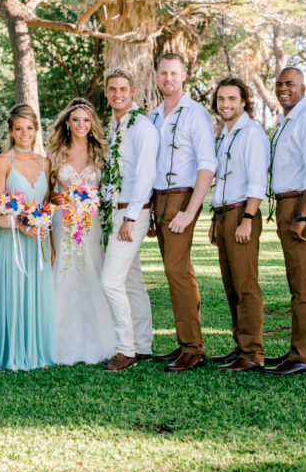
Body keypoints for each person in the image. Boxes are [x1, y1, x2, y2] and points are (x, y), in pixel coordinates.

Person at [148, 53, 217, 372]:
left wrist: (190, 211)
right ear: (157, 76)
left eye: (173, 73)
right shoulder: (153, 116)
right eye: (163, 73)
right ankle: (184, 342)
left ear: (184, 75)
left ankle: (194, 348)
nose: (168, 79)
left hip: (181, 198)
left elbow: (207, 165)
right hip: (158, 200)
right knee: (174, 271)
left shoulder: (196, 114)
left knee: (178, 271)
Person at [264, 66, 306, 376]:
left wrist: (301, 215)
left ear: (303, 89)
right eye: (279, 84)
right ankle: (297, 350)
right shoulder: (287, 120)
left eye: (290, 83)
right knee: (296, 282)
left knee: (305, 284)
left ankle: (303, 356)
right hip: (288, 203)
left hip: (302, 205)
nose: (283, 88)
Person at [100, 69, 160, 371]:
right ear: (106, 91)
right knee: (132, 280)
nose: (117, 94)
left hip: (131, 212)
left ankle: (125, 349)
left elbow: (145, 176)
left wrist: (131, 217)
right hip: (115, 210)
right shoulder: (113, 124)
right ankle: (143, 344)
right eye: (112, 89)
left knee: (109, 280)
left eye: (123, 89)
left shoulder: (142, 127)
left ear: (133, 91)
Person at [47, 98, 115, 366]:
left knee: (92, 272)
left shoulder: (102, 153)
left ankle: (99, 338)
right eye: (75, 119)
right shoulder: (55, 154)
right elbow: (50, 194)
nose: (81, 125)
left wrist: (88, 203)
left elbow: (109, 191)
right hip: (63, 222)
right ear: (67, 122)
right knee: (65, 273)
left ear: (92, 124)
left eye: (86, 120)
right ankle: (59, 341)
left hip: (92, 223)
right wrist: (67, 202)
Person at [208, 78, 269, 372]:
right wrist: (214, 218)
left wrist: (247, 218)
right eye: (221, 99)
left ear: (244, 101)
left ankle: (253, 353)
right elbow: (222, 181)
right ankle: (240, 346)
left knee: (246, 285)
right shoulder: (226, 134)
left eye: (232, 99)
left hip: (242, 215)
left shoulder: (251, 133)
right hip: (223, 214)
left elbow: (257, 179)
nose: (225, 104)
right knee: (231, 285)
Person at [0, 104, 56, 370]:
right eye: (19, 128)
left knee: (38, 294)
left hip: (39, 239)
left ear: (36, 130)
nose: (24, 133)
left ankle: (38, 351)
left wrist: (47, 239)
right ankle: (14, 351)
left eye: (29, 128)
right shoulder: (2, 161)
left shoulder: (45, 162)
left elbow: (48, 203)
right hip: (13, 240)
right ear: (11, 131)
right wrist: (23, 226)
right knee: (13, 293)